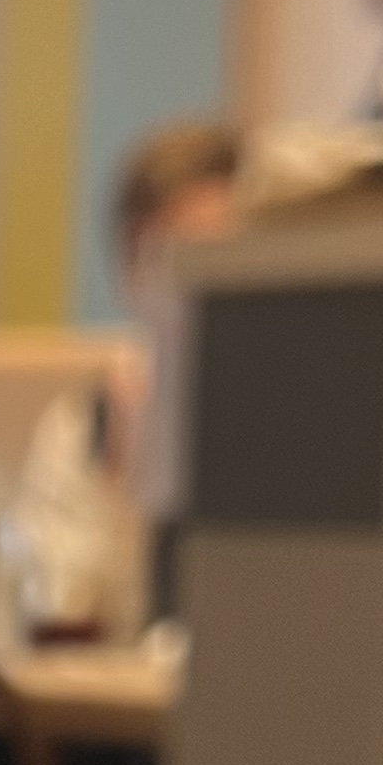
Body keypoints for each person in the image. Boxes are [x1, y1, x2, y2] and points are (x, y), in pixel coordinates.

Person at [105, 115, 245, 525]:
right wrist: (122, 479)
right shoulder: (88, 427)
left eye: (215, 258)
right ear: (126, 276)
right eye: (165, 260)